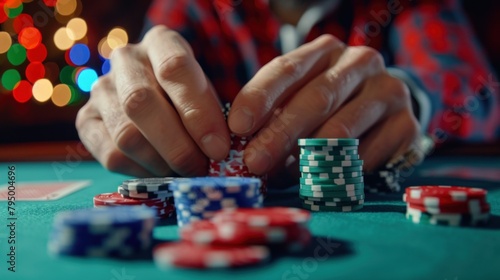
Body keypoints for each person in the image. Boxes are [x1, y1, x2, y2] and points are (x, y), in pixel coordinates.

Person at [75, 0, 499, 184]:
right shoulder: (195, 6)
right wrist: (129, 91)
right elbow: (151, 62)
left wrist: (412, 96)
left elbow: (477, 89)